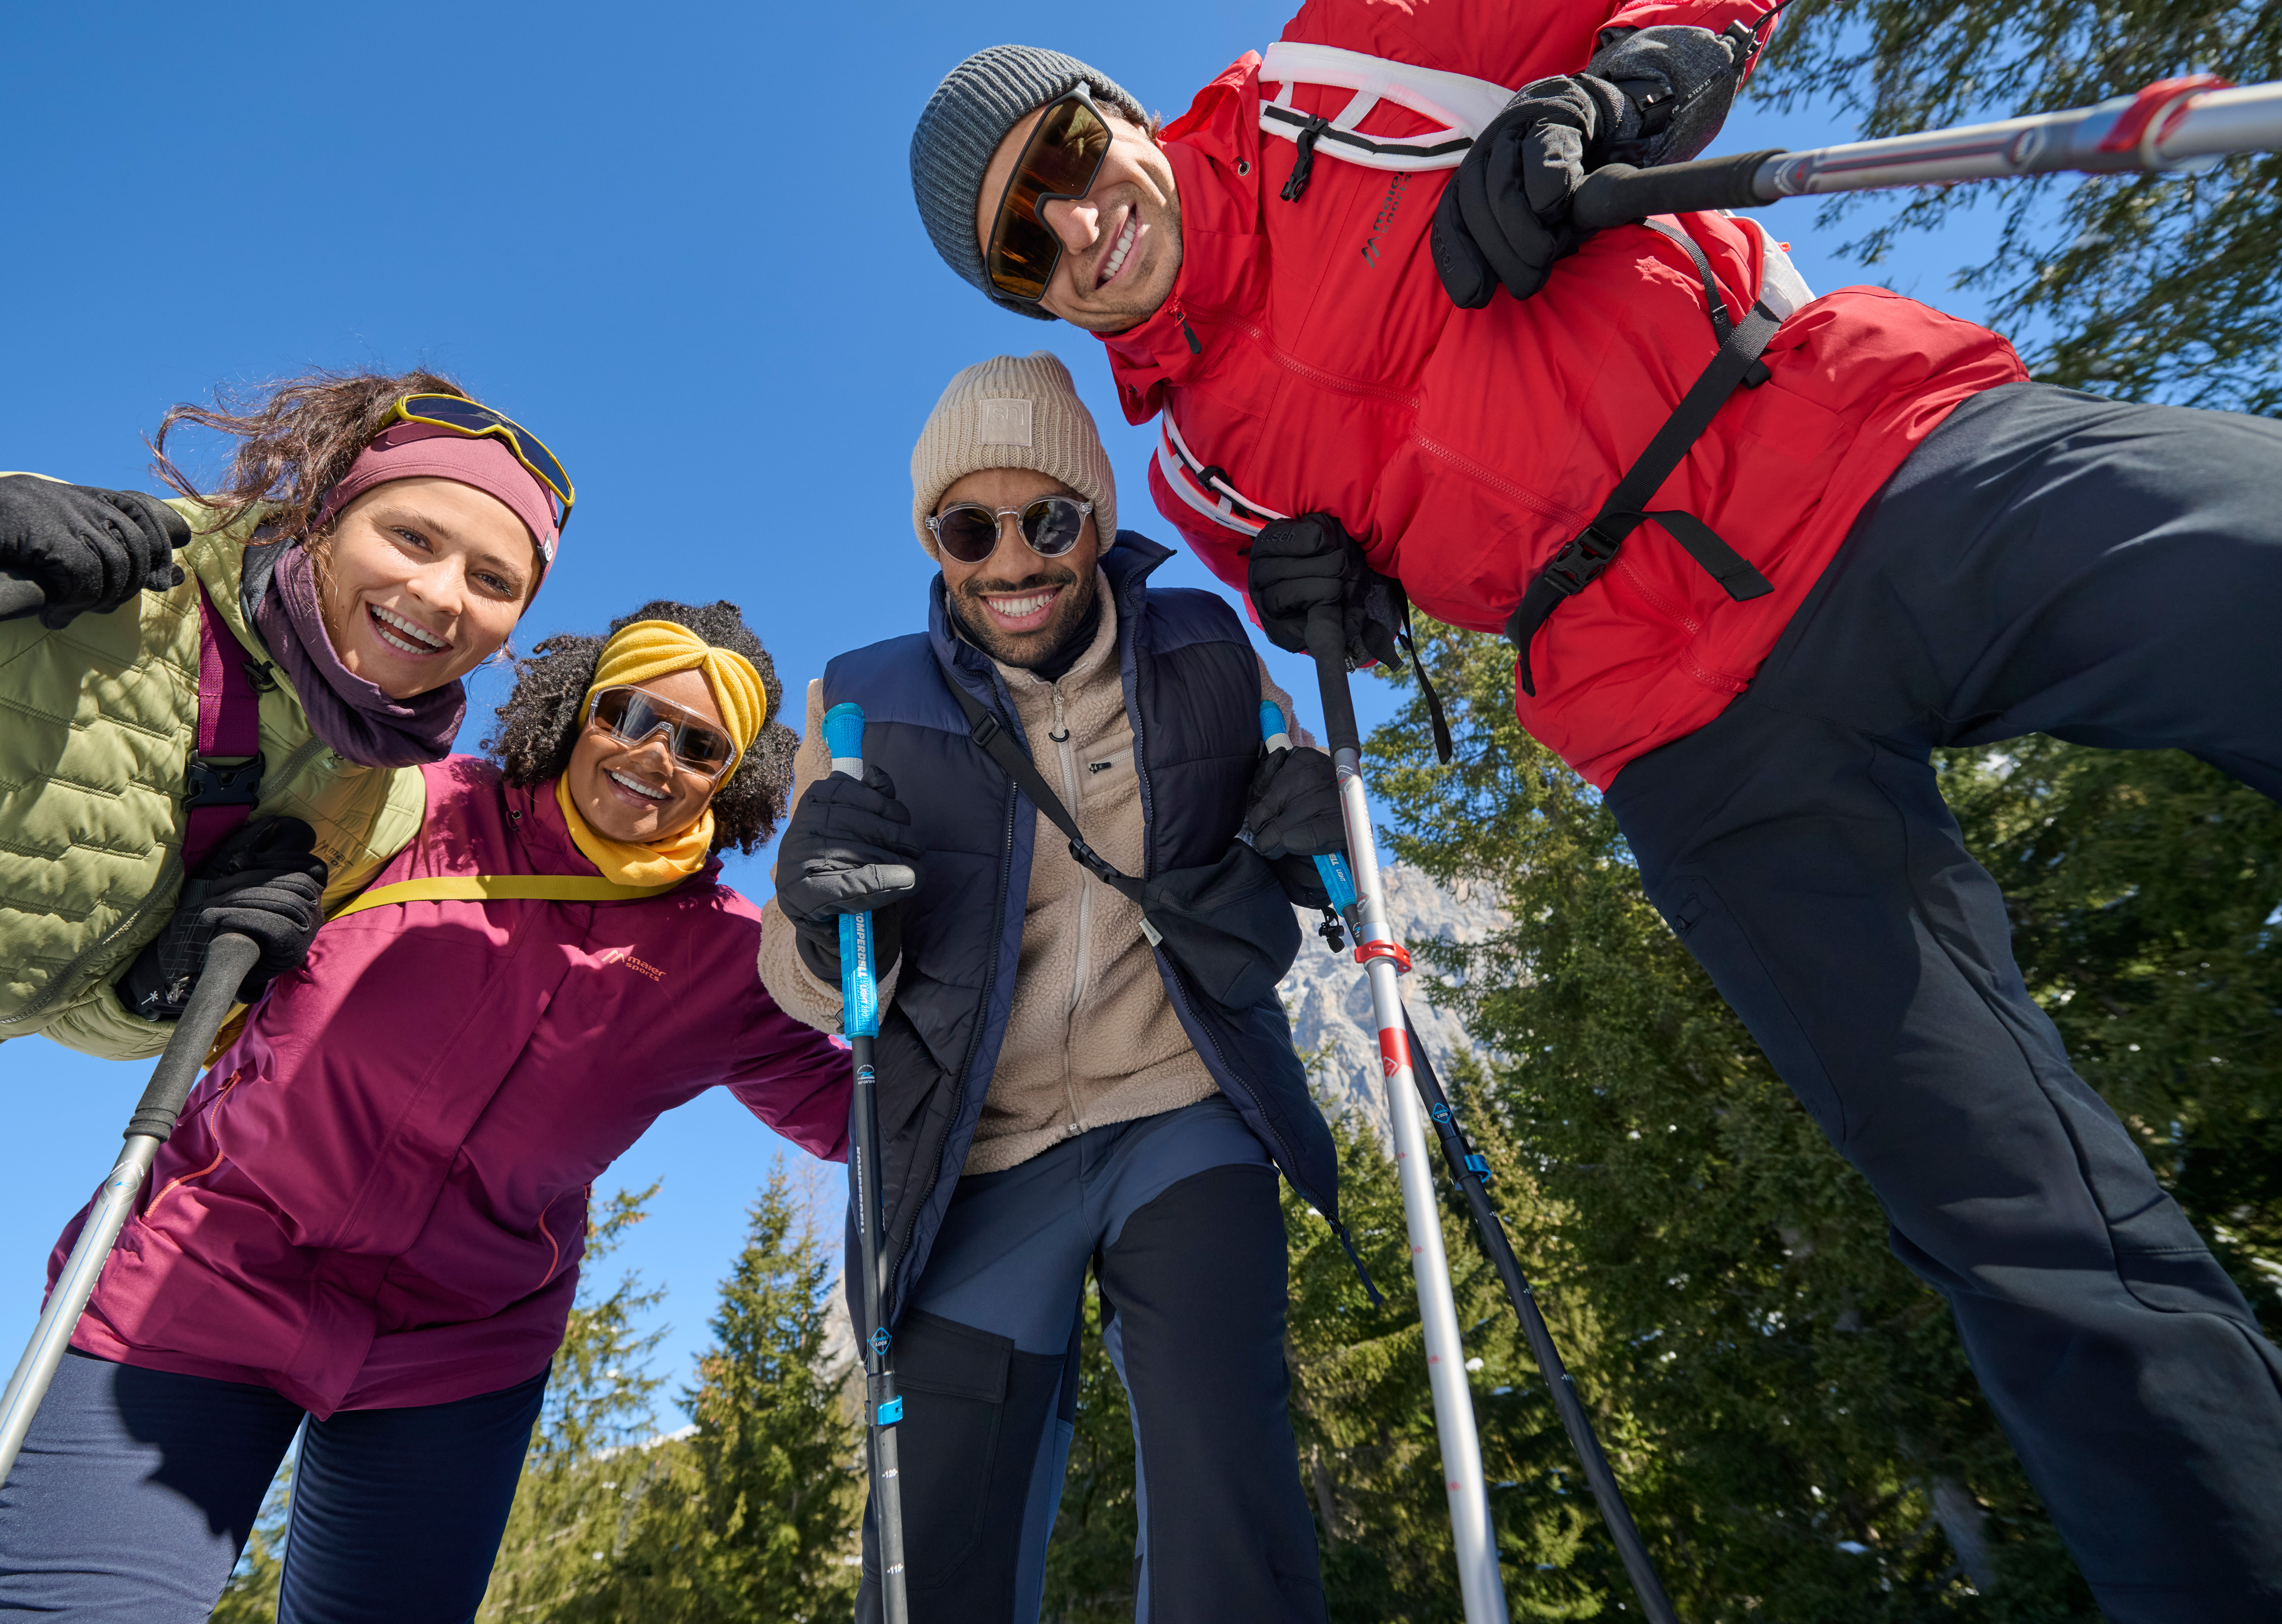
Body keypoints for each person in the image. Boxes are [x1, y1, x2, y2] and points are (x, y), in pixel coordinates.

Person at [906, 8, 2282, 1619]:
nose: (1076, 226)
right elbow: (1341, 596)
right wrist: (1328, 603)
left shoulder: (1343, 73)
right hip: (1681, 725)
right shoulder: (1202, 467)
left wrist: (1628, 87)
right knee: (2011, 1218)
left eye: (1066, 160)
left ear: (1116, 114)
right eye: (1023, 246)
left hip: (1874, 459)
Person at [0, 602, 851, 1622]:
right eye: (629, 714)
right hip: (204, 1277)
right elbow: (160, 873)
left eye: (701, 745)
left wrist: (908, 964)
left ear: (730, 780)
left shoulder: (729, 960)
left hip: (461, 1349)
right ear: (576, 711)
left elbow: (860, 1115)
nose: (654, 754)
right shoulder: (412, 810)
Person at [758, 352, 1351, 1623]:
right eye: (972, 528)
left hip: (1182, 1104)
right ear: (936, 540)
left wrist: (1318, 827)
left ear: (1098, 523)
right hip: (977, 1155)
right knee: (937, 1551)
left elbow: (1312, 824)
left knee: (1224, 1476)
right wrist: (818, 915)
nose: (1014, 561)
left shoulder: (1204, 644)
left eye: (1050, 519)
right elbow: (809, 989)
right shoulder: (859, 700)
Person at [0, 369, 571, 1158]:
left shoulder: (374, 806)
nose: (440, 594)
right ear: (322, 517)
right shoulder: (82, 570)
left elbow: (46, 1013)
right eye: (412, 537)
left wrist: (165, 989)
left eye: (494, 581)